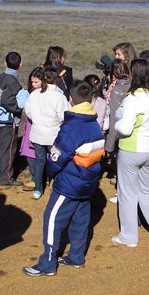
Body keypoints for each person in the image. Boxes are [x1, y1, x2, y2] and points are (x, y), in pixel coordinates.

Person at [23, 81, 104, 276]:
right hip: (89, 181)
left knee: (51, 218)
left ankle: (48, 262)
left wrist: (51, 173)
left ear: (70, 100)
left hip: (69, 182)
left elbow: (57, 157)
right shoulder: (94, 123)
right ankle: (76, 256)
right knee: (80, 219)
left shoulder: (72, 127)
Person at [112, 59, 149, 246]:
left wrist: (117, 122)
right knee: (145, 188)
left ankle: (128, 236)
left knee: (127, 193)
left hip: (131, 150)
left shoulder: (132, 99)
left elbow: (125, 128)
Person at [24, 68, 71, 199]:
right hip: (54, 135)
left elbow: (28, 111)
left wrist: (37, 120)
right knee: (57, 160)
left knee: (40, 161)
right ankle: (56, 184)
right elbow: (64, 116)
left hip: (37, 133)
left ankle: (38, 189)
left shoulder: (34, 94)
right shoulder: (59, 96)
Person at [0, 52, 24, 186]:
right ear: (20, 65)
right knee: (9, 150)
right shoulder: (13, 81)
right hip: (8, 121)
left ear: (5, 63)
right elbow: (7, 100)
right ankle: (7, 178)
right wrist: (18, 108)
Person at [103, 59, 131, 190]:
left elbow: (113, 114)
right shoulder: (132, 84)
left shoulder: (115, 89)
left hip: (117, 129)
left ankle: (120, 184)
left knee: (119, 157)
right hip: (131, 130)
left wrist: (109, 143)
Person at [19, 67, 44, 193]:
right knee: (29, 152)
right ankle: (34, 177)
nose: (33, 85)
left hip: (40, 125)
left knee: (40, 153)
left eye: (36, 82)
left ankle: (39, 179)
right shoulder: (31, 94)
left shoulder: (46, 94)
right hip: (30, 125)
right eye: (32, 82)